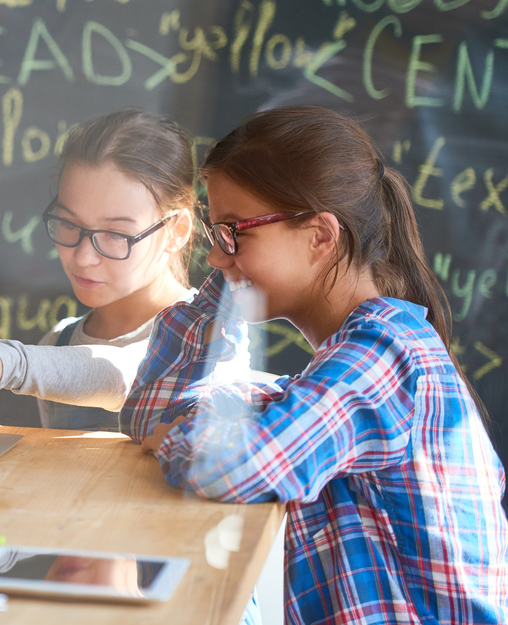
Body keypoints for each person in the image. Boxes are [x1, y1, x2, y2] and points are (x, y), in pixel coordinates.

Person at [125, 106, 508, 622]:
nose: (214, 258)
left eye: (234, 232)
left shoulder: (384, 354)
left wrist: (183, 433)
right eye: (215, 236)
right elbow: (151, 416)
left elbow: (239, 465)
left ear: (321, 237)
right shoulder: (336, 370)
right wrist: (233, 274)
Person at [0, 109, 203, 430]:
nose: (83, 257)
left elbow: (125, 374)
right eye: (68, 223)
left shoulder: (210, 337)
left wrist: (6, 362)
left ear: (177, 231)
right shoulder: (58, 343)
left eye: (116, 234)